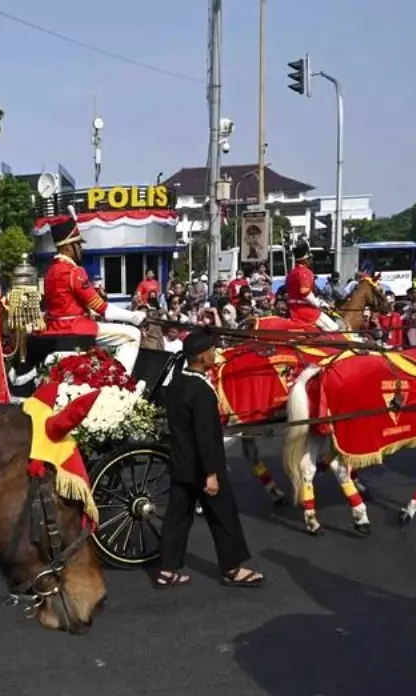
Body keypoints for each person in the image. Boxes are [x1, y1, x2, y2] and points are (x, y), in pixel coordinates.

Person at [154, 329, 264, 588]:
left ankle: (167, 570)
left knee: (177, 518)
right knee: (224, 518)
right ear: (203, 357)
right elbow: (205, 436)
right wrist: (212, 474)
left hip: (181, 463)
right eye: (212, 351)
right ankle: (232, 568)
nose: (216, 354)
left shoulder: (178, 383)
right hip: (203, 468)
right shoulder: (201, 391)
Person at [41, 218, 146, 371]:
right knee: (133, 334)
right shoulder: (73, 271)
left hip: (56, 327)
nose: (81, 249)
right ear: (68, 247)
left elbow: (65, 303)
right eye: (78, 244)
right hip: (75, 328)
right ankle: (119, 379)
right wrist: (133, 317)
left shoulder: (50, 271)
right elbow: (101, 307)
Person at [285, 240, 339, 331]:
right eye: (310, 258)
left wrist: (322, 303)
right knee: (334, 328)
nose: (311, 261)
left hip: (291, 310)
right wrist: (319, 304)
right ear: (305, 259)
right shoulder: (305, 272)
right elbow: (305, 292)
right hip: (305, 311)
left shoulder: (291, 273)